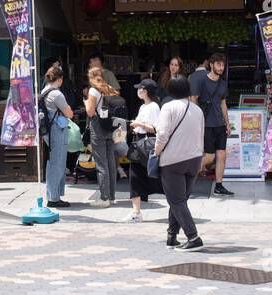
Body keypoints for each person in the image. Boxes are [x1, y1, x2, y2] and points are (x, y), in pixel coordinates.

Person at [155, 74, 205, 251]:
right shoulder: (197, 110)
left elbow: (161, 134)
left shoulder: (168, 107)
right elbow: (201, 135)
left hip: (173, 160)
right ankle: (171, 236)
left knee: (176, 200)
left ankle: (193, 237)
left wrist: (156, 152)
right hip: (194, 159)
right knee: (180, 200)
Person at [191, 52, 233, 196]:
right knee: (209, 157)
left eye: (223, 65)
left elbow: (223, 103)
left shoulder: (223, 83)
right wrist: (196, 120)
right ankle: (188, 174)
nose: (221, 68)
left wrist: (227, 123)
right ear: (211, 65)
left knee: (222, 155)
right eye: (218, 64)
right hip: (206, 124)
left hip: (219, 124)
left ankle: (219, 185)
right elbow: (193, 99)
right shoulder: (202, 80)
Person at [85, 66, 122, 208]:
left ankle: (104, 197)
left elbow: (90, 112)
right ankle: (112, 196)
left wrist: (87, 102)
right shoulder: (109, 88)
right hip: (110, 127)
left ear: (90, 77)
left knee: (101, 163)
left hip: (98, 126)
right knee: (111, 161)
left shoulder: (93, 91)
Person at [127, 78, 163, 221]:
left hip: (147, 144)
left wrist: (139, 124)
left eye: (140, 89)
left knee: (153, 176)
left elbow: (156, 128)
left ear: (145, 91)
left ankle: (175, 203)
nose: (138, 91)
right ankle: (136, 212)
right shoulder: (143, 106)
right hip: (138, 144)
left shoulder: (154, 107)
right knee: (134, 176)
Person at [40, 64, 73, 209]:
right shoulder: (56, 94)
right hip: (57, 131)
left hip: (48, 131)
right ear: (59, 79)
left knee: (53, 162)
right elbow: (69, 113)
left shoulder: (44, 91)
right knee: (58, 163)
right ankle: (54, 197)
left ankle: (54, 195)